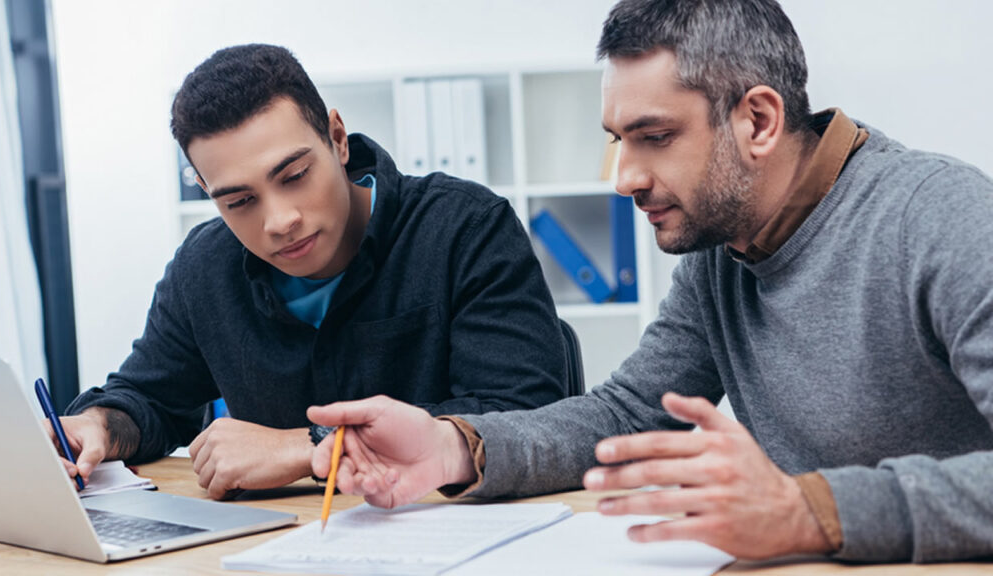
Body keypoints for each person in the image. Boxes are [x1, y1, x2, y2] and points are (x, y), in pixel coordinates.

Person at [306, 0, 993, 564]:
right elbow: (629, 413)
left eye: (654, 137)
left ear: (758, 120)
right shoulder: (724, 241)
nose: (624, 178)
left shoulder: (942, 219)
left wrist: (809, 511)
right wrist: (452, 445)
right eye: (617, 139)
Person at [53, 44, 568, 500]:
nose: (280, 221)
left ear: (337, 138)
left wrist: (305, 448)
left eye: (295, 176)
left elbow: (522, 419)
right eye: (238, 201)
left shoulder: (465, 228)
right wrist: (99, 425)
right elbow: (151, 398)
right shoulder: (204, 267)